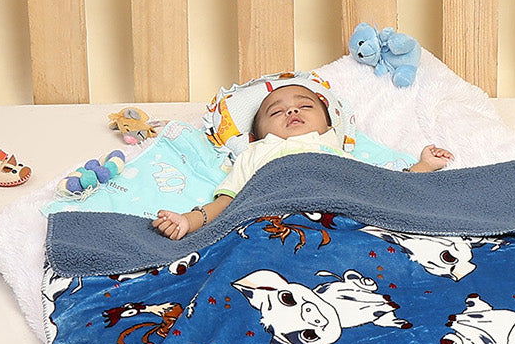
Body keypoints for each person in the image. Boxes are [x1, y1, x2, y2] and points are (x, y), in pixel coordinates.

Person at [153, 81, 453, 240]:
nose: (292, 112)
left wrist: (423, 167)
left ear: (330, 127)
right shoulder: (255, 153)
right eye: (276, 111)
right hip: (276, 224)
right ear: (255, 137)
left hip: (341, 220)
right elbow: (226, 204)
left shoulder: (336, 153)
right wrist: (188, 221)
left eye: (305, 106)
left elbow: (379, 189)